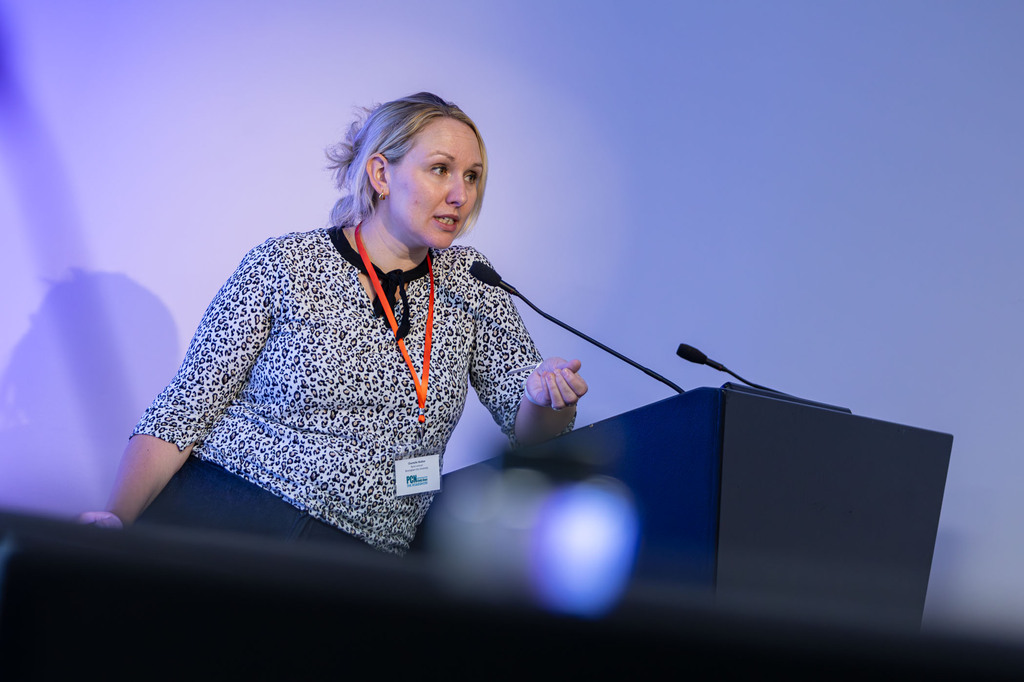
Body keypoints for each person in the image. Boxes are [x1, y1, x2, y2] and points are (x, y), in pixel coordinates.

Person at [78, 92, 587, 556]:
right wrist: (117, 518)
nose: (460, 194)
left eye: (472, 176)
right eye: (440, 169)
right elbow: (185, 408)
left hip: (359, 558)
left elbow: (530, 432)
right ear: (381, 174)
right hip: (228, 512)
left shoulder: (473, 283)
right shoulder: (285, 263)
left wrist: (548, 399)